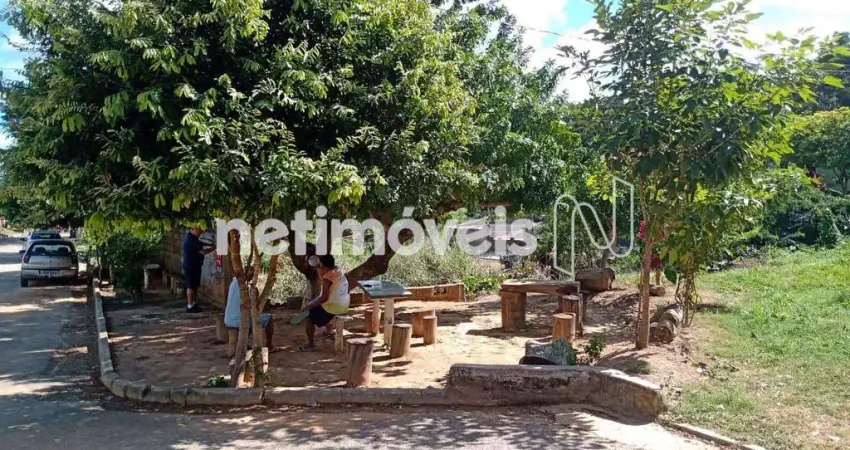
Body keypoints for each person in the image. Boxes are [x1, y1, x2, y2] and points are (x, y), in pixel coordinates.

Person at [298, 254, 350, 352]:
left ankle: (310, 344)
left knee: (308, 316)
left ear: (322, 265)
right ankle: (329, 326)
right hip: (344, 304)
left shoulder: (328, 277)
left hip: (334, 307)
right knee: (315, 303)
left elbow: (324, 298)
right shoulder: (338, 270)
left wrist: (309, 306)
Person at [224, 266, 277, 350]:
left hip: (228, 319)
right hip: (239, 321)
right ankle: (269, 345)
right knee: (269, 318)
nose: (251, 277)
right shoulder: (246, 288)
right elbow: (253, 306)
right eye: (251, 275)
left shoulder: (233, 282)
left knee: (248, 317)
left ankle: (245, 344)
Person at [182, 227, 215, 313]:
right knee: (191, 286)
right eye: (198, 229)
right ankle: (190, 306)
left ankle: (193, 303)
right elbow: (202, 252)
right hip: (191, 266)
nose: (201, 231)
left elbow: (200, 243)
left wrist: (210, 244)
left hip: (194, 265)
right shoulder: (191, 241)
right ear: (192, 229)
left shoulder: (193, 238)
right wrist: (213, 248)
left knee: (194, 285)